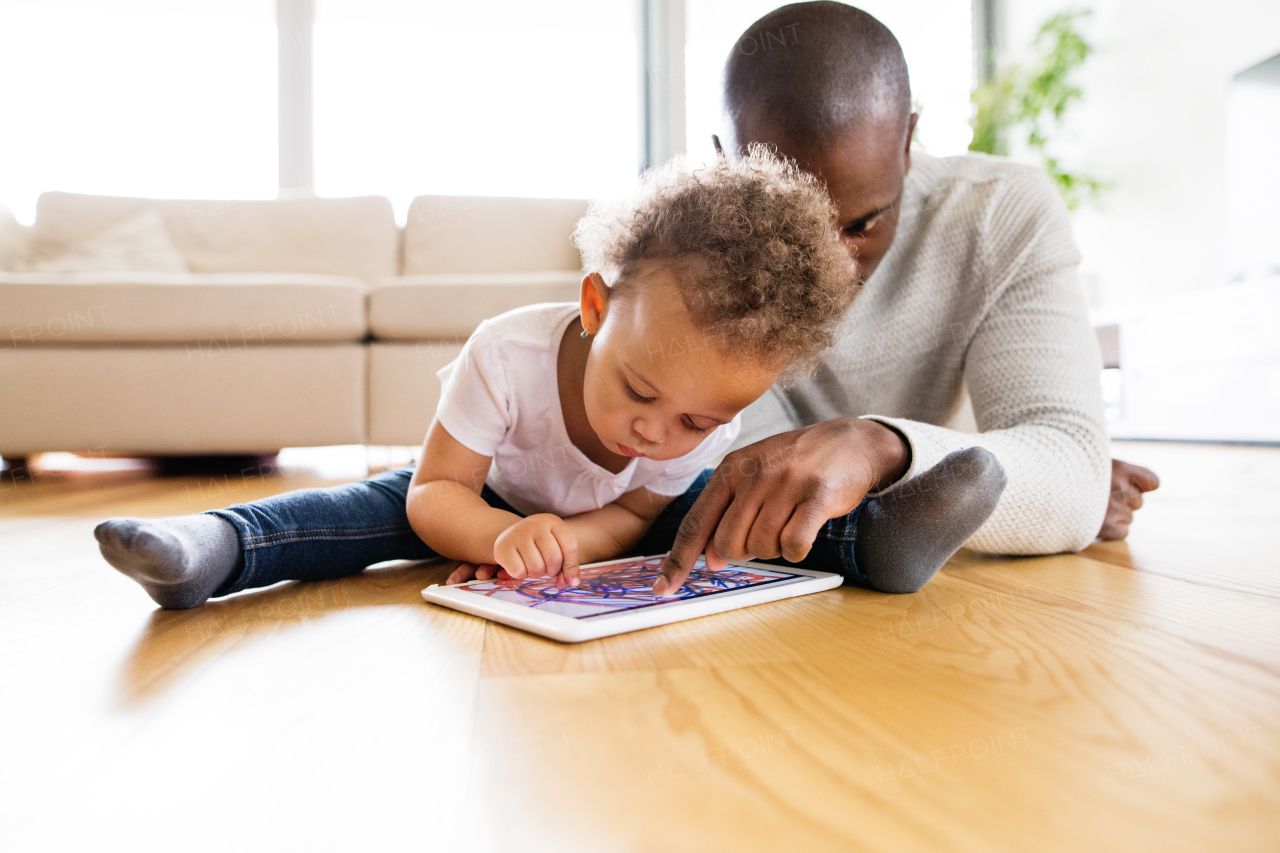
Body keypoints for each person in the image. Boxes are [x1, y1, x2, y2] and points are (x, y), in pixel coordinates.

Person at [95, 149, 1006, 609]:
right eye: (642, 393)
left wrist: (583, 534)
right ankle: (212, 550)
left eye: (697, 419)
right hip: (479, 490)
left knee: (716, 522)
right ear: (597, 308)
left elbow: (640, 508)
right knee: (353, 514)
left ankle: (875, 538)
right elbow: (434, 492)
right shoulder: (509, 353)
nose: (658, 432)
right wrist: (505, 530)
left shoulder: (698, 427)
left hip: (595, 527)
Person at [652, 1, 1159, 596]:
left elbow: (1071, 477)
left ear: (909, 137)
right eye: (793, 227)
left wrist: (884, 448)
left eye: (863, 223)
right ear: (725, 161)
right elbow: (740, 486)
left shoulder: (1002, 214)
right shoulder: (678, 261)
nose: (835, 272)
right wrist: (1022, 488)